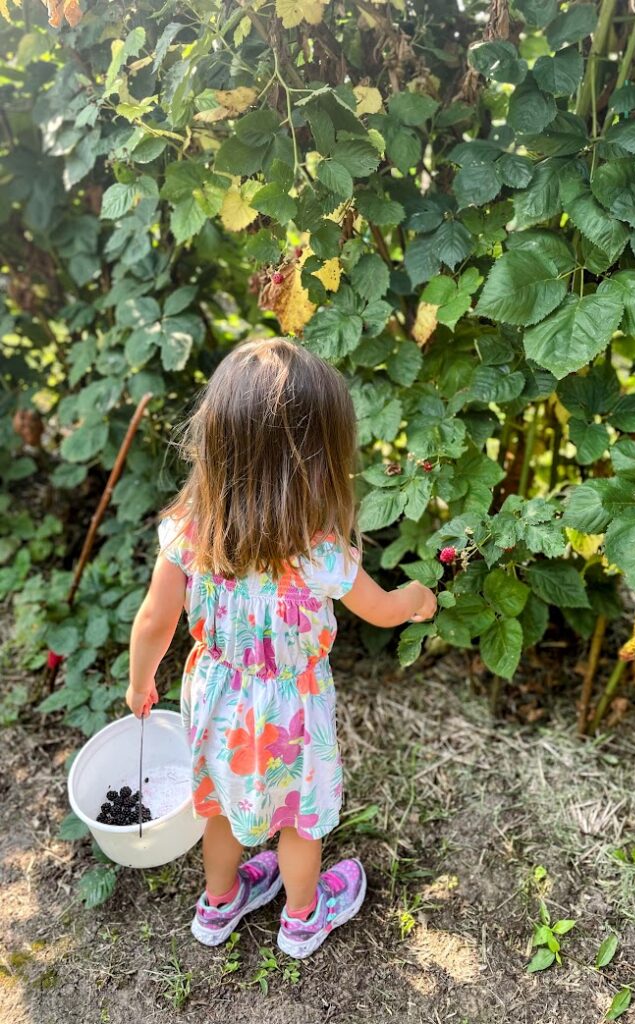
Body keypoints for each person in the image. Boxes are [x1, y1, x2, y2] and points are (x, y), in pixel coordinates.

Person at [124, 338, 437, 959]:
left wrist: (139, 683)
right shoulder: (321, 554)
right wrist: (416, 599)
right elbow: (381, 612)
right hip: (293, 708)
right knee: (298, 815)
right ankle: (302, 916)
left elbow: (156, 618)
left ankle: (218, 906)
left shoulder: (189, 534)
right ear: (318, 460)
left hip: (216, 695)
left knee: (218, 806)